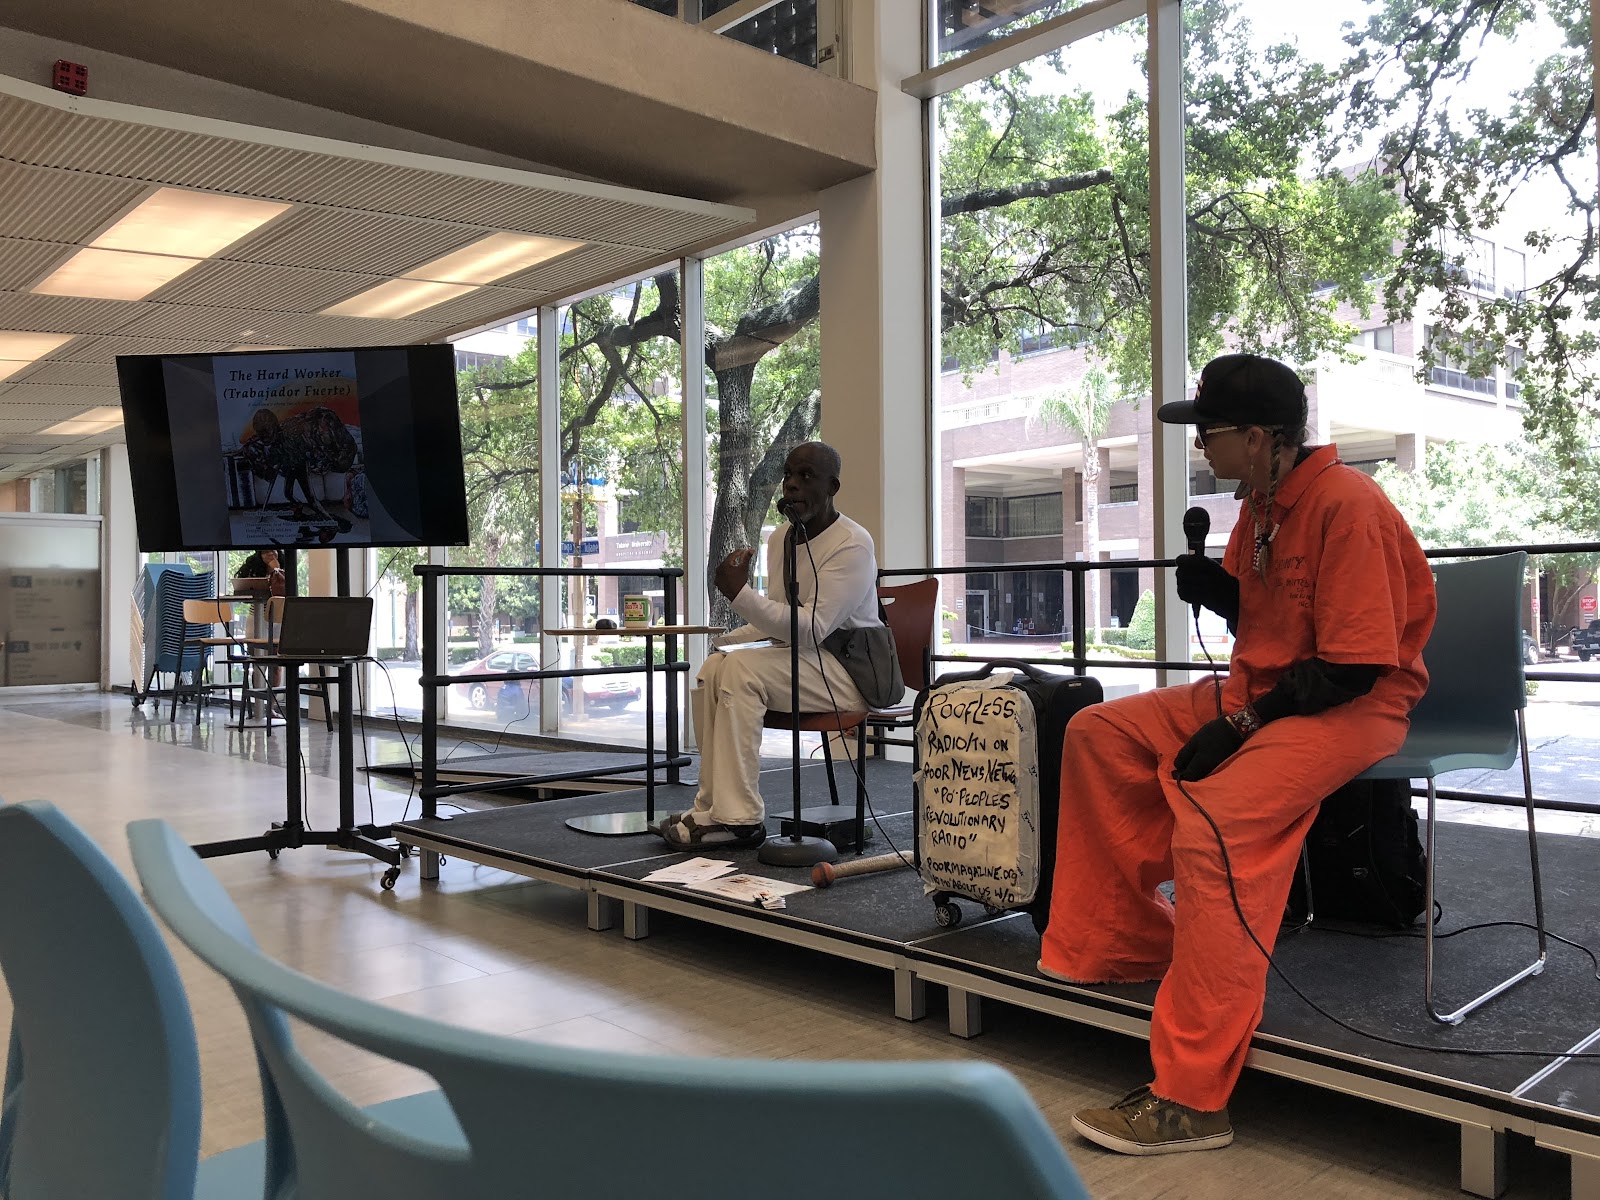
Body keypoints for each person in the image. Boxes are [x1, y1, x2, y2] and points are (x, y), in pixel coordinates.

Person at [1040, 354, 1436, 1155]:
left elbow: (1356, 664)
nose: (1200, 447)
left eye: (1208, 433)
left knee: (1217, 823)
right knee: (1098, 733)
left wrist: (1245, 725)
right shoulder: (1262, 504)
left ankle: (1192, 1099)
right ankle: (1135, 943)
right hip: (1265, 689)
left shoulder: (1346, 505)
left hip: (1352, 706)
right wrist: (1217, 592)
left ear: (1258, 437)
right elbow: (1271, 615)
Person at [654, 441, 883, 850]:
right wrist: (725, 640)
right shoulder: (781, 539)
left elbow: (811, 628)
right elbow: (779, 615)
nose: (791, 485)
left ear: (832, 487)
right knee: (715, 667)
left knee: (740, 671)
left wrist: (739, 595)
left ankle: (740, 820)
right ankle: (713, 808)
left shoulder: (852, 543)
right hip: (802, 660)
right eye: (788, 475)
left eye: (806, 477)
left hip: (848, 672)